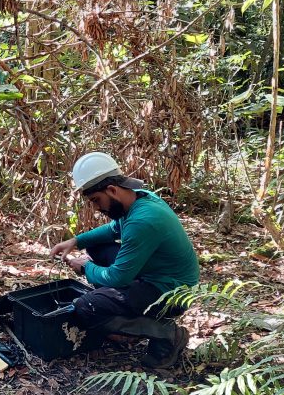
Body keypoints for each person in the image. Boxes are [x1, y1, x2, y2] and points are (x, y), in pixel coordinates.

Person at [49, 152, 197, 369]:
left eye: (96, 201)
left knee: (87, 307)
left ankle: (167, 334)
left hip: (170, 294)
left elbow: (118, 277)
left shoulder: (143, 221)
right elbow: (113, 229)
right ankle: (125, 314)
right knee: (96, 246)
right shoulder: (138, 198)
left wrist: (86, 267)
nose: (97, 208)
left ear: (112, 190)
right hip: (158, 276)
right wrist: (76, 241)